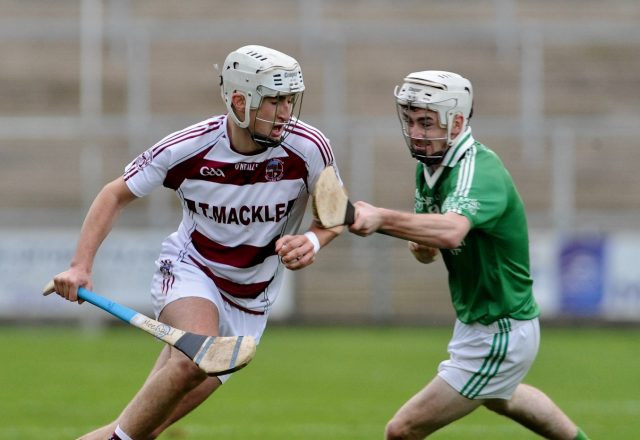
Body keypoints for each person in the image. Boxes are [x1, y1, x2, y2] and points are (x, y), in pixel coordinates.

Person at [49, 45, 343, 440]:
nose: (286, 112)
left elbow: (336, 215)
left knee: (142, 428)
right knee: (193, 361)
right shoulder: (189, 147)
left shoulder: (309, 148)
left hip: (251, 304)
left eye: (290, 99)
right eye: (274, 101)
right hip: (192, 272)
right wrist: (81, 265)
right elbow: (114, 194)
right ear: (240, 101)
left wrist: (313, 239)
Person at [347, 70, 590, 440]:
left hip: (501, 329)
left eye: (427, 122)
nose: (416, 131)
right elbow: (430, 247)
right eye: (410, 120)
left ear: (457, 122)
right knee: (501, 397)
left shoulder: (478, 169)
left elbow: (452, 230)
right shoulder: (428, 169)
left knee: (401, 430)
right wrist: (421, 243)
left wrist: (381, 218)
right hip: (480, 323)